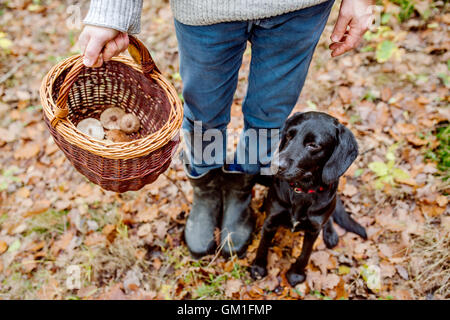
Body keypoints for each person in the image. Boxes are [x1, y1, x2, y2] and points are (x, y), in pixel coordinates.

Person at [79, 0, 374, 259]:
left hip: (299, 9)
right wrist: (112, 11)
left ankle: (239, 193)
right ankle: (206, 193)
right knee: (204, 117)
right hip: (204, 9)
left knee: (269, 118)